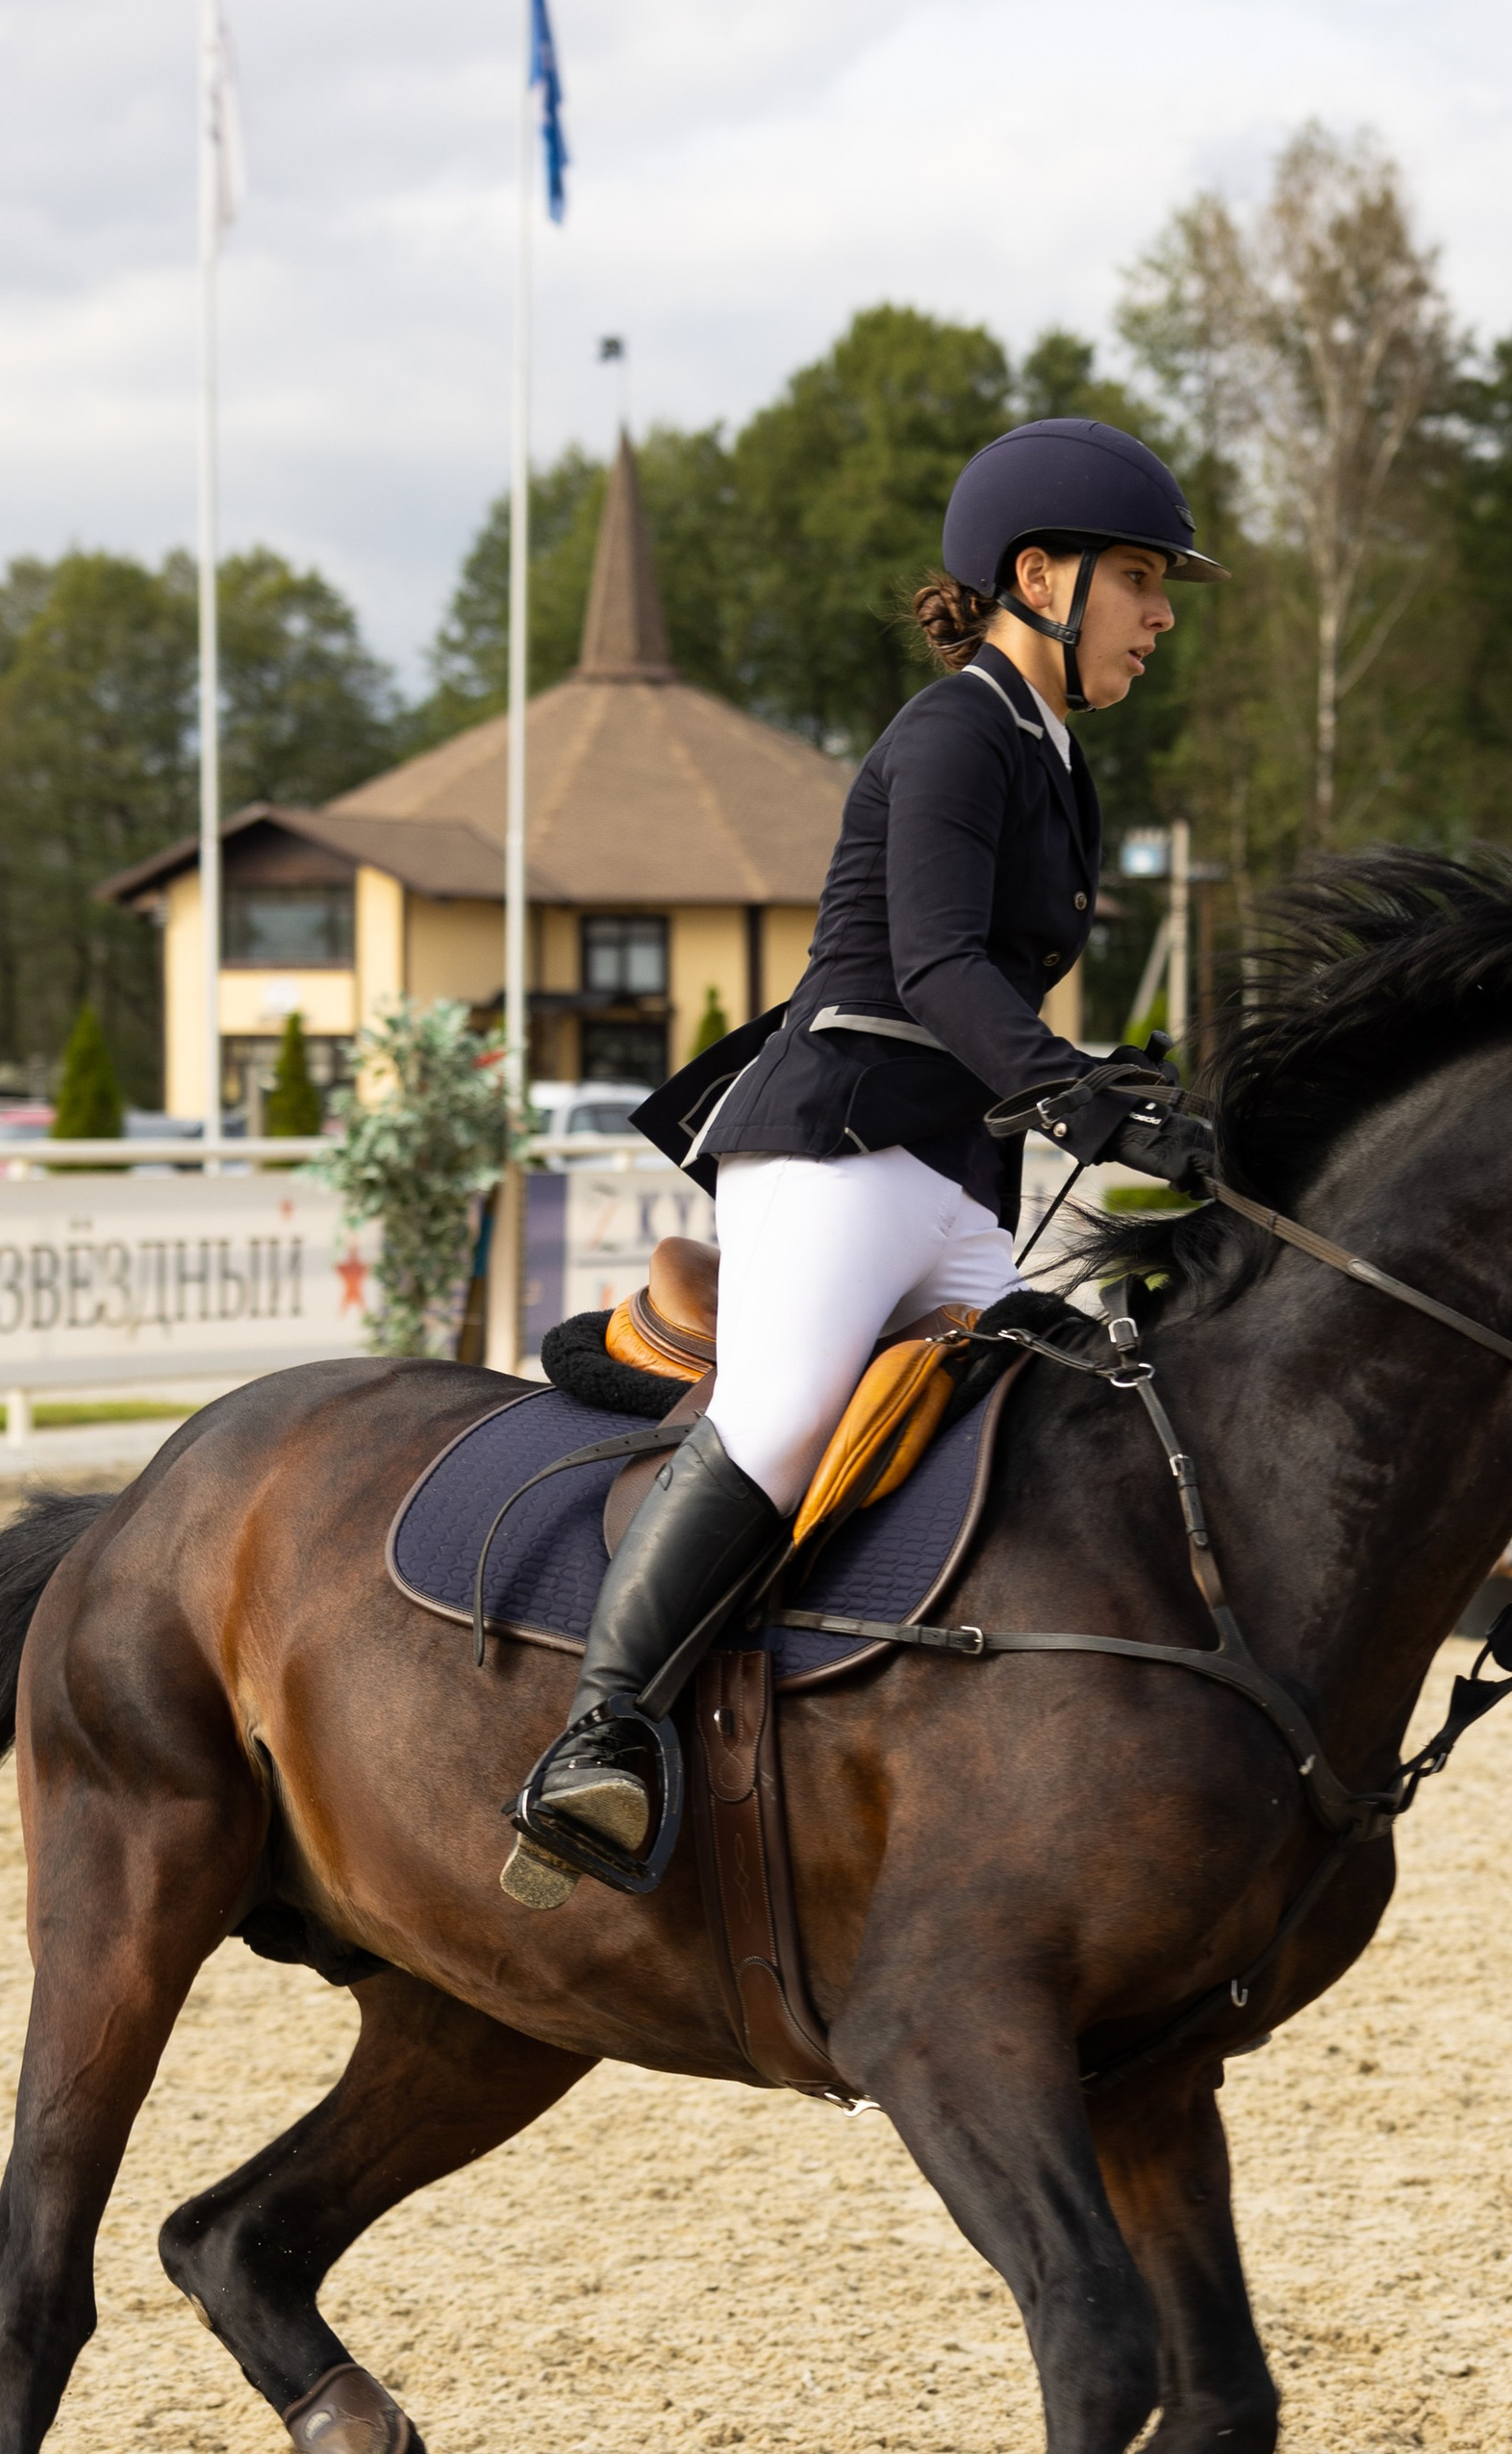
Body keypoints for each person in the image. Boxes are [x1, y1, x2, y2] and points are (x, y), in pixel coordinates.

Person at [507, 415, 1222, 1897]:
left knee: (1088, 1407)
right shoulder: (956, 728)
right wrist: (1078, 1094)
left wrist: (1138, 1092)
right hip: (835, 1150)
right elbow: (945, 972)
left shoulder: (1055, 758)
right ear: (1042, 574)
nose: (1161, 615)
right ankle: (598, 1740)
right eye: (1143, 578)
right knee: (776, 1422)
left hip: (949, 1187)